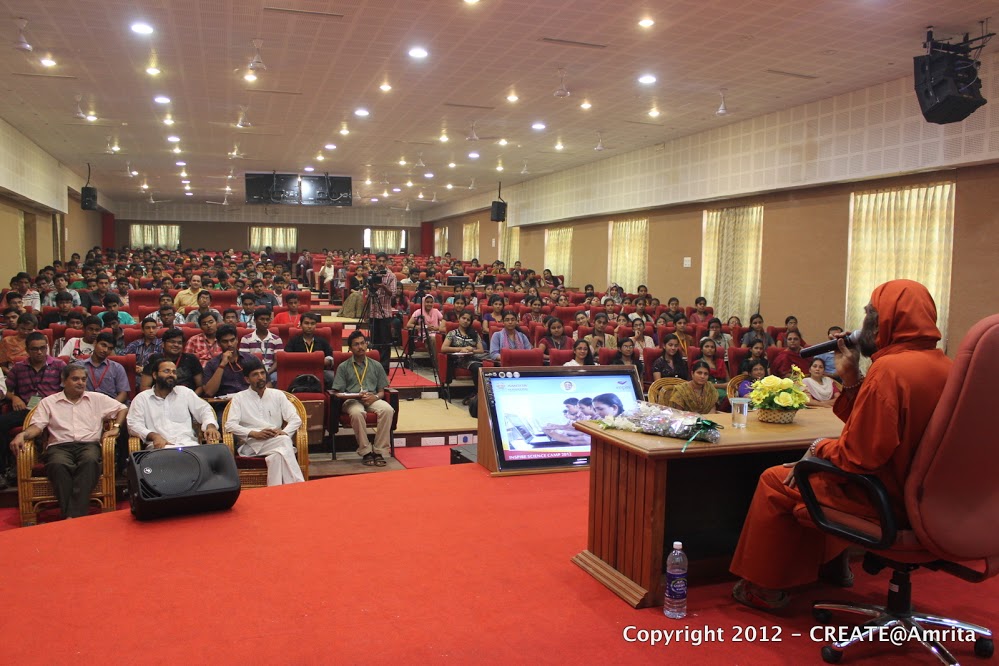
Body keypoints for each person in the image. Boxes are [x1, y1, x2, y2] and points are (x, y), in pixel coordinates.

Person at [729, 279, 952, 611]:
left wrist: (819, 448)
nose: (863, 326)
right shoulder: (945, 365)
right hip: (929, 500)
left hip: (886, 499)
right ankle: (833, 568)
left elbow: (858, 457)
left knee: (777, 481)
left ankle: (763, 589)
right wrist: (851, 380)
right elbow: (880, 426)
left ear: (886, 320)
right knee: (822, 475)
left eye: (869, 316)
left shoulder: (889, 371)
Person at [8, 364, 126, 519]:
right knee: (58, 465)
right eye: (75, 379)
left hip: (88, 445)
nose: (81, 383)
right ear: (63, 381)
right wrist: (22, 435)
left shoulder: (97, 399)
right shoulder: (49, 402)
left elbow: (122, 408)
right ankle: (76, 516)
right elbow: (37, 427)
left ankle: (70, 517)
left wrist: (116, 427)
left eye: (83, 379)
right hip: (59, 447)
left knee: (90, 462)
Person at [223, 357, 305, 486]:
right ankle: (298, 485)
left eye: (262, 373)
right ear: (247, 379)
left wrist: (284, 432)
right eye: (255, 375)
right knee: (284, 442)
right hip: (251, 445)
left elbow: (295, 419)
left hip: (275, 440)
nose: (260, 377)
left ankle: (274, 492)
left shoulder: (277, 395)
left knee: (276, 457)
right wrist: (254, 433)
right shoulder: (239, 398)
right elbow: (230, 425)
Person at [0, 333, 67, 488]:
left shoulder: (59, 365)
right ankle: (3, 470)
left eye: (42, 348)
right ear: (27, 350)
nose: (39, 352)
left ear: (47, 347)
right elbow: (6, 391)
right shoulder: (18, 368)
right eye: (34, 349)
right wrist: (14, 398)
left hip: (53, 410)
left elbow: (67, 391)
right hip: (27, 410)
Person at [330, 331, 395, 467]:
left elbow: (382, 391)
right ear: (350, 348)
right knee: (357, 413)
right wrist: (354, 395)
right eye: (356, 344)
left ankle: (379, 451)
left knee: (388, 410)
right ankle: (365, 451)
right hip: (352, 400)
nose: (360, 347)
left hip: (373, 398)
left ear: (367, 344)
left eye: (362, 343)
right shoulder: (344, 367)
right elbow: (337, 392)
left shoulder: (376, 365)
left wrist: (375, 397)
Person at [128, 356, 220, 449]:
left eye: (174, 372)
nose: (171, 374)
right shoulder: (142, 398)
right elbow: (133, 425)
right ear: (155, 375)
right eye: (166, 371)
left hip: (189, 446)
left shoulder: (185, 392)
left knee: (222, 451)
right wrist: (154, 436)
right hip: (160, 449)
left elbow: (204, 409)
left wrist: (210, 426)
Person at [140, 328, 203, 392]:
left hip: (186, 398)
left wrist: (192, 398)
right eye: (172, 342)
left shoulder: (191, 359)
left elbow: (200, 386)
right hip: (160, 398)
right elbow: (144, 386)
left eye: (179, 343)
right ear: (163, 344)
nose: (176, 345)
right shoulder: (154, 359)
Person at [203, 325, 255, 398]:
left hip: (249, 401)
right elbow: (209, 392)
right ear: (218, 343)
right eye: (225, 341)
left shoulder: (251, 359)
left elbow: (266, 384)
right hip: (224, 404)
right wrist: (222, 365)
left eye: (232, 340)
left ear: (237, 340)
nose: (229, 344)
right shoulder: (212, 364)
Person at [367, 252, 398, 373]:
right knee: (374, 341)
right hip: (373, 312)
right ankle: (373, 366)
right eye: (379, 261)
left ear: (386, 262)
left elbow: (393, 294)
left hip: (385, 313)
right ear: (376, 261)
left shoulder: (391, 276)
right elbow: (369, 291)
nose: (381, 263)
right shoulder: (372, 274)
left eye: (383, 261)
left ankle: (384, 368)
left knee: (385, 342)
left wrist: (383, 286)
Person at [78, 332, 129, 402]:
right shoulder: (78, 366)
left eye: (110, 348)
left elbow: (123, 394)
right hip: (85, 403)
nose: (105, 350)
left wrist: (111, 407)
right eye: (103, 345)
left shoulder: (117, 368)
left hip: (111, 404)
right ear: (95, 343)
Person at [239, 308, 284, 384]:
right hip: (252, 371)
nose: (265, 322)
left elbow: (278, 361)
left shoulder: (276, 339)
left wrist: (266, 373)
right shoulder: (246, 339)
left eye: (267, 319)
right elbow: (244, 360)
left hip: (270, 371)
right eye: (262, 319)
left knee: (276, 378)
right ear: (255, 321)